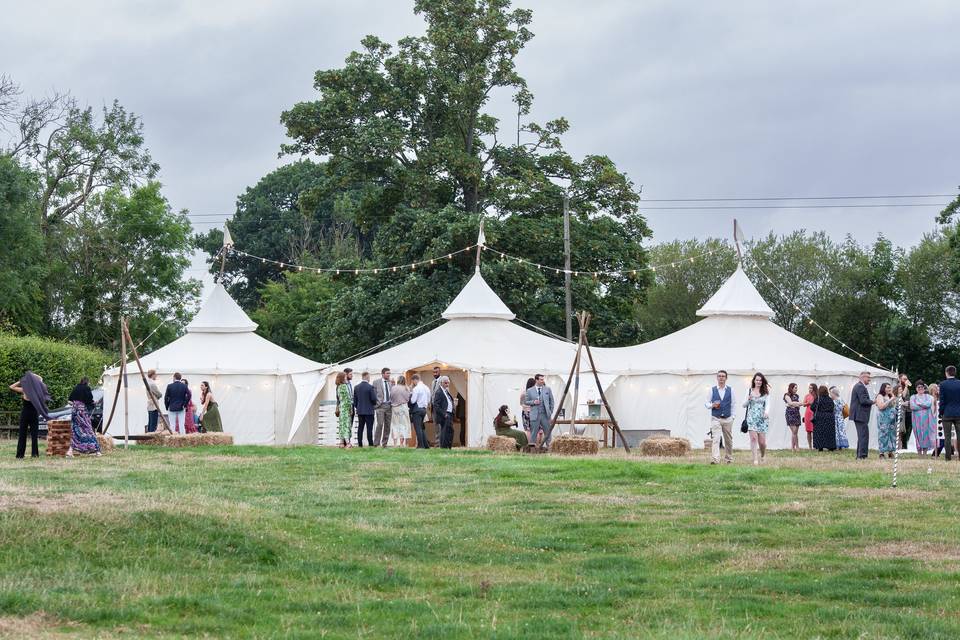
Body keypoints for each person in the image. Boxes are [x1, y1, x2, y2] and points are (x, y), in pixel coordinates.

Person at [9, 371, 50, 459]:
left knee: (22, 435)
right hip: (34, 414)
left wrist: (21, 381)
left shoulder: (25, 390)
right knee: (34, 435)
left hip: (25, 414)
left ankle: (20, 455)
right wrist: (33, 376)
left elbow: (11, 387)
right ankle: (34, 454)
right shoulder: (37, 391)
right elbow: (41, 379)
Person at [705, 370, 734, 464]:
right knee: (716, 439)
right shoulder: (712, 390)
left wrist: (733, 417)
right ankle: (715, 459)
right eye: (719, 376)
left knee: (728, 440)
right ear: (717, 378)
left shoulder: (731, 390)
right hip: (716, 418)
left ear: (726, 378)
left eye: (723, 376)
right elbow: (706, 403)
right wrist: (712, 405)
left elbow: (734, 404)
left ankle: (729, 458)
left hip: (727, 418)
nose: (721, 378)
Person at [67, 377, 100, 456]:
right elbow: (89, 401)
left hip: (75, 412)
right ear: (87, 382)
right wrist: (94, 402)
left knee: (75, 430)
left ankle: (70, 451)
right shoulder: (87, 388)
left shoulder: (76, 388)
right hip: (82, 412)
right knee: (88, 429)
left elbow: (70, 400)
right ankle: (96, 450)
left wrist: (76, 404)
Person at [743, 372, 771, 465]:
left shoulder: (766, 392)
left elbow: (768, 404)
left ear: (762, 382)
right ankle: (755, 459)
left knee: (762, 442)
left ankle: (763, 455)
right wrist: (748, 399)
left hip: (762, 418)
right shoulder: (749, 391)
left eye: (760, 380)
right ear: (754, 381)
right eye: (757, 380)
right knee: (753, 439)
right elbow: (744, 405)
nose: (758, 381)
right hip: (751, 418)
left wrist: (766, 412)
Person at [525, 373, 556, 449]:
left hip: (545, 415)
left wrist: (550, 411)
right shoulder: (529, 390)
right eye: (541, 379)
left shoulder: (547, 389)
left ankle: (550, 448)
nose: (543, 381)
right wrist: (533, 402)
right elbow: (526, 401)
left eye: (543, 379)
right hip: (535, 414)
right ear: (536, 380)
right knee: (533, 432)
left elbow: (551, 401)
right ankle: (532, 448)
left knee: (548, 432)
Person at [849, 371, 874, 460]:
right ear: (863, 377)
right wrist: (873, 402)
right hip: (860, 414)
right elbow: (863, 400)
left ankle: (860, 455)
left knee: (862, 435)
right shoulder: (860, 386)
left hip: (859, 415)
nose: (869, 380)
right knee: (863, 435)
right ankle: (862, 456)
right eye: (868, 377)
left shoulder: (859, 386)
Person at [910, 381, 936, 456]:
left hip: (927, 419)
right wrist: (923, 406)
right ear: (916, 389)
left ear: (924, 388)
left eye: (922, 387)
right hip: (916, 419)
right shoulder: (913, 397)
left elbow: (928, 404)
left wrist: (918, 403)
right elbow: (912, 406)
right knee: (918, 434)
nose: (920, 388)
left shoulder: (928, 397)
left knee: (926, 435)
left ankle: (924, 453)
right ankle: (919, 453)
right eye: (918, 387)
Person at [941, 366, 960, 461]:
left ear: (946, 373)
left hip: (947, 413)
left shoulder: (943, 384)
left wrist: (941, 412)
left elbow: (942, 401)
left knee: (947, 437)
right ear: (955, 373)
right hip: (959, 413)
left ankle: (948, 458)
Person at [353, 372, 377, 447]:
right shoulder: (370, 387)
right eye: (369, 377)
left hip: (360, 411)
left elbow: (355, 401)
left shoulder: (356, 387)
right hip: (369, 411)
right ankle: (370, 444)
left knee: (360, 428)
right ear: (366, 377)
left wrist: (358, 407)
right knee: (369, 428)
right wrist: (373, 404)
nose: (369, 378)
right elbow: (373, 399)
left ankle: (360, 444)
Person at [811, 385, 836, 451]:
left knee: (820, 432)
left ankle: (820, 447)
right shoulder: (830, 399)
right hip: (830, 417)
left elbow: (812, 407)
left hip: (820, 417)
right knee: (829, 433)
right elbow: (833, 407)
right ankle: (830, 447)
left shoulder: (818, 399)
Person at [875, 383, 897, 458]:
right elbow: (881, 406)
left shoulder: (890, 396)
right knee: (883, 434)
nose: (889, 389)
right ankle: (882, 452)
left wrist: (892, 397)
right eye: (887, 387)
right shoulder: (880, 396)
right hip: (883, 417)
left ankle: (890, 451)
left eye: (890, 388)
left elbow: (893, 405)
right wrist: (890, 400)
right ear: (883, 388)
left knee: (891, 434)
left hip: (891, 418)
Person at [372, 367, 393, 447]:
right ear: (383, 374)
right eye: (387, 373)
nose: (389, 375)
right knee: (380, 424)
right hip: (380, 406)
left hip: (389, 406)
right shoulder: (376, 382)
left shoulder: (390, 382)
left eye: (389, 373)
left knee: (388, 425)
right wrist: (376, 404)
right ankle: (376, 443)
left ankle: (384, 444)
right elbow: (373, 395)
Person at [409, 374, 431, 449]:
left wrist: (410, 394)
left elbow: (412, 401)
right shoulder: (426, 387)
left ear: (415, 380)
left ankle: (420, 445)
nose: (413, 383)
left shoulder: (416, 388)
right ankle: (426, 445)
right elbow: (428, 400)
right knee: (422, 428)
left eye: (413, 381)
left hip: (417, 409)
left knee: (418, 428)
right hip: (424, 410)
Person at [433, 375, 456, 448]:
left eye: (448, 383)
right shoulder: (439, 392)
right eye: (445, 383)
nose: (447, 384)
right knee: (444, 432)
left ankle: (448, 446)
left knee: (450, 431)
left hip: (450, 414)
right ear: (441, 383)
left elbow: (448, 402)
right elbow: (436, 405)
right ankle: (443, 447)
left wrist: (454, 406)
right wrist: (444, 414)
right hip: (445, 415)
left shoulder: (446, 391)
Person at [390, 374, 412, 447]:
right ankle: (402, 443)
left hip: (395, 407)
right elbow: (408, 399)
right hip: (403, 407)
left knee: (395, 425)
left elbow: (391, 398)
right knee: (403, 426)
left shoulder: (393, 388)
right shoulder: (407, 388)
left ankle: (395, 443)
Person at [334, 372, 352, 448]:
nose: (346, 378)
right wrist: (350, 409)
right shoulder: (344, 386)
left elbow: (338, 398)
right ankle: (348, 443)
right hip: (345, 408)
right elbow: (348, 399)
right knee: (346, 425)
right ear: (342, 378)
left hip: (341, 407)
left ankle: (341, 443)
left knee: (341, 425)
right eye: (345, 377)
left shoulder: (338, 387)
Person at [783, 383, 802, 451]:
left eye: (797, 388)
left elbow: (796, 405)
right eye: (795, 388)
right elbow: (790, 403)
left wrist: (795, 404)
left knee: (795, 432)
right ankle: (797, 447)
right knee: (794, 431)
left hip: (797, 413)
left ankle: (792, 447)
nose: (796, 389)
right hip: (790, 414)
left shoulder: (797, 395)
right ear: (791, 388)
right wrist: (798, 403)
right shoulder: (786, 395)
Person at [898, 373, 912, 449]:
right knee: (902, 429)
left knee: (907, 427)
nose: (906, 380)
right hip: (902, 411)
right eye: (904, 379)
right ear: (900, 379)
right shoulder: (899, 387)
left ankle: (904, 444)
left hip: (908, 410)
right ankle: (903, 446)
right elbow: (903, 396)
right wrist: (906, 386)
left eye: (906, 379)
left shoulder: (907, 388)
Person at [430, 366, 442, 447]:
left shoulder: (442, 380)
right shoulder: (433, 382)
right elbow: (432, 394)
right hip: (433, 407)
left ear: (439, 372)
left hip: (440, 407)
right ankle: (437, 442)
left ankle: (440, 443)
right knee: (436, 425)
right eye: (434, 372)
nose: (435, 374)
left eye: (436, 372)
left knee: (440, 425)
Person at [520, 377, 535, 444]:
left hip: (525, 413)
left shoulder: (523, 393)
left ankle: (530, 445)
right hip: (534, 412)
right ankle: (535, 445)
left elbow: (521, 403)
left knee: (528, 430)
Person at [802, 383, 817, 448]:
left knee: (815, 430)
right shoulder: (807, 396)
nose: (810, 389)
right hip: (808, 414)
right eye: (809, 388)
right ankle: (810, 446)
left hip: (814, 414)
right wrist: (808, 403)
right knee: (808, 431)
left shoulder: (816, 396)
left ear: (814, 389)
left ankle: (815, 445)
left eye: (811, 388)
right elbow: (803, 404)